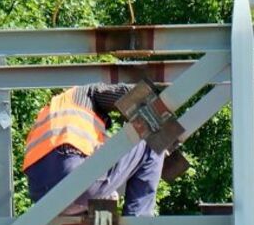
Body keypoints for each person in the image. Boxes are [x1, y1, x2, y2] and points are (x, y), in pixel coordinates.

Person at [22, 83, 165, 218]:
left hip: (40, 197)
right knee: (151, 136)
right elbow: (129, 93)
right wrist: (157, 91)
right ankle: (138, 221)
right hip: (73, 180)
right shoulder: (85, 93)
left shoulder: (49, 115)